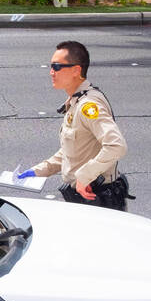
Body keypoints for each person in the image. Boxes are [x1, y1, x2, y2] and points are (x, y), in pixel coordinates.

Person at [18, 41, 131, 210]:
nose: (51, 72)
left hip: (97, 201)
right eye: (51, 66)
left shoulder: (88, 106)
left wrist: (84, 176)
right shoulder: (75, 102)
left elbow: (117, 146)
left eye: (56, 66)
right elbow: (73, 150)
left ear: (76, 70)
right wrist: (39, 171)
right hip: (84, 199)